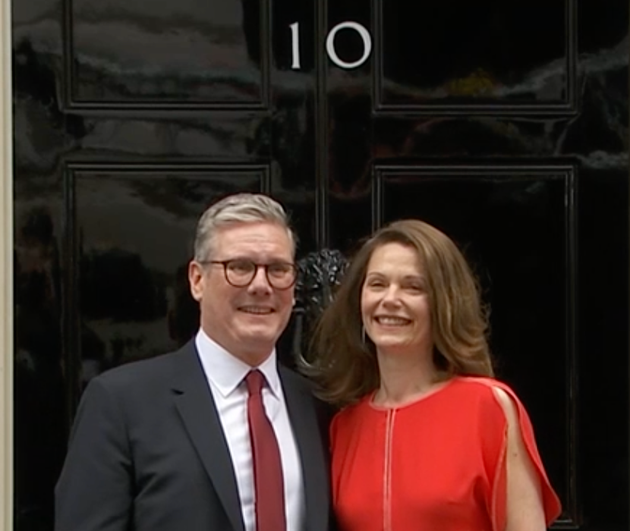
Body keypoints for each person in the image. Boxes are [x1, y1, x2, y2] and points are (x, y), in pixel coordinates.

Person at [55, 193, 333, 531]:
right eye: (240, 267)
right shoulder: (121, 404)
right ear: (197, 280)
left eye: (278, 269)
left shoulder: (316, 406)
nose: (261, 285)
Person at [309, 219, 562, 531]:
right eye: (377, 284)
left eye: (413, 286)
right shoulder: (344, 426)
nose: (390, 299)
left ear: (444, 303)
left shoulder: (488, 407)